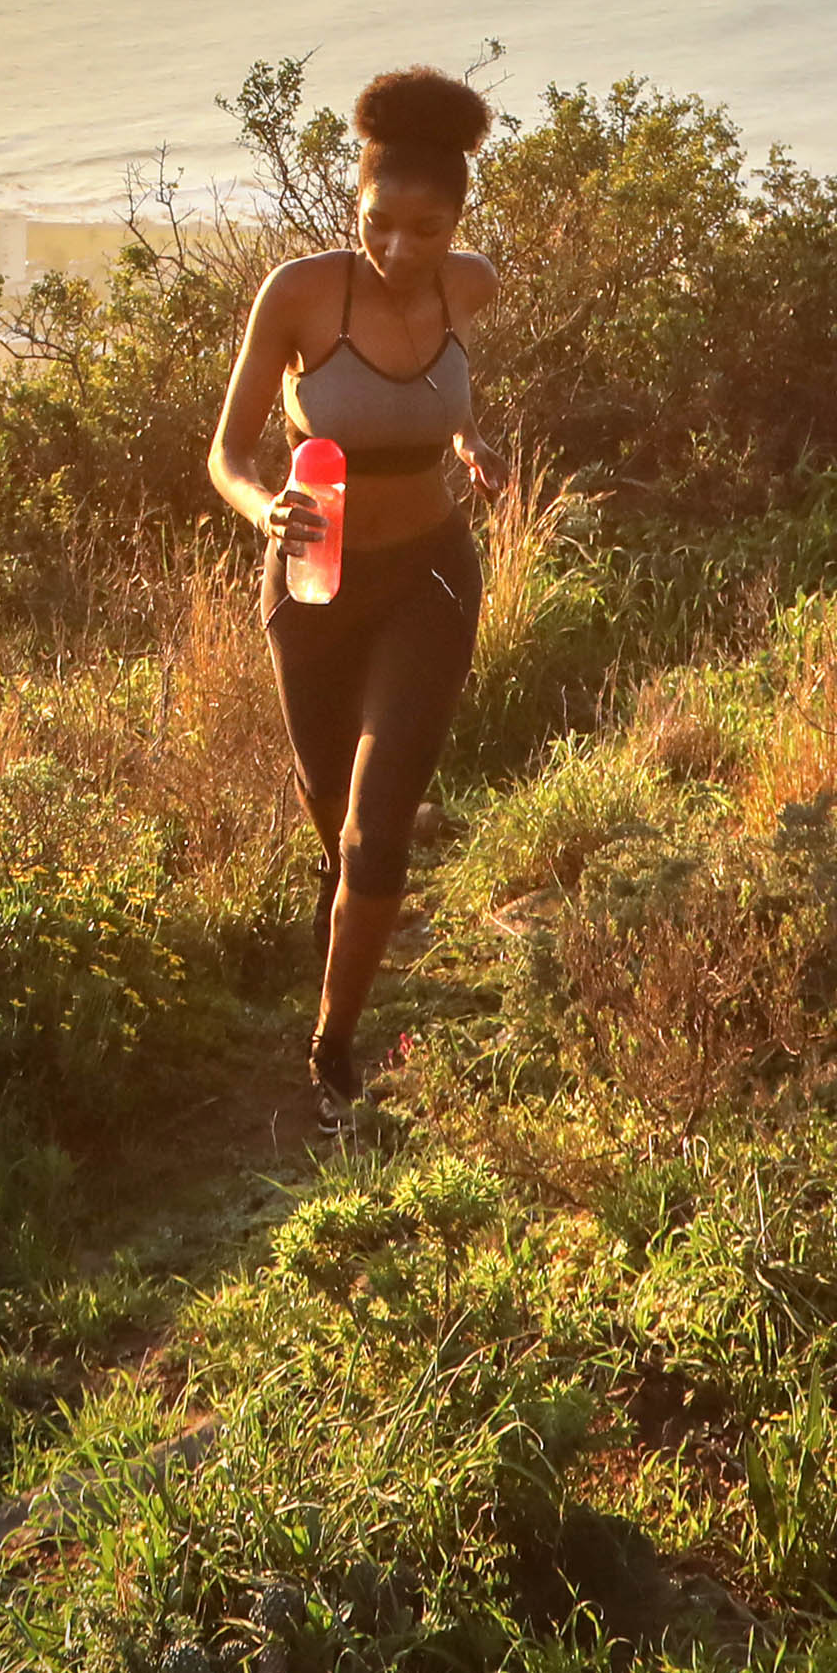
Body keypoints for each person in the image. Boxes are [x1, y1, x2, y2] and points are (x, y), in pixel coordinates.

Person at [205, 66, 507, 1122]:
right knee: (329, 808)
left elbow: (446, 394)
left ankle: (332, 1045)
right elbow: (228, 452)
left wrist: (471, 440)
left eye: (426, 230)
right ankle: (338, 897)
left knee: (378, 831)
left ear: (456, 225)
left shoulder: (470, 286)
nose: (398, 250)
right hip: (314, 579)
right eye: (380, 223)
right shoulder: (299, 292)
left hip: (431, 572)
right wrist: (260, 510)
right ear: (356, 204)